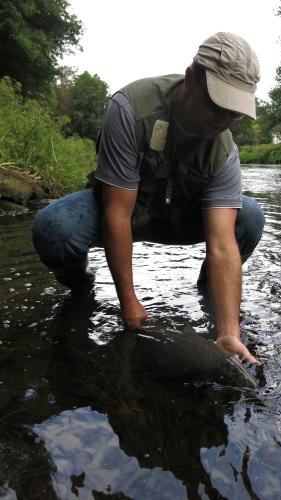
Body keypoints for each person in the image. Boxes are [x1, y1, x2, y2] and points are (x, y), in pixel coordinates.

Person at [32, 32, 265, 364]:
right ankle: (80, 289)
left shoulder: (225, 151)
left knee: (250, 217)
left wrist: (229, 331)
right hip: (124, 211)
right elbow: (117, 214)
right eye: (218, 105)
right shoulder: (129, 109)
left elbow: (223, 243)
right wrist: (129, 302)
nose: (225, 120)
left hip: (180, 220)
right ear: (190, 79)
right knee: (53, 228)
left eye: (235, 113)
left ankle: (211, 292)